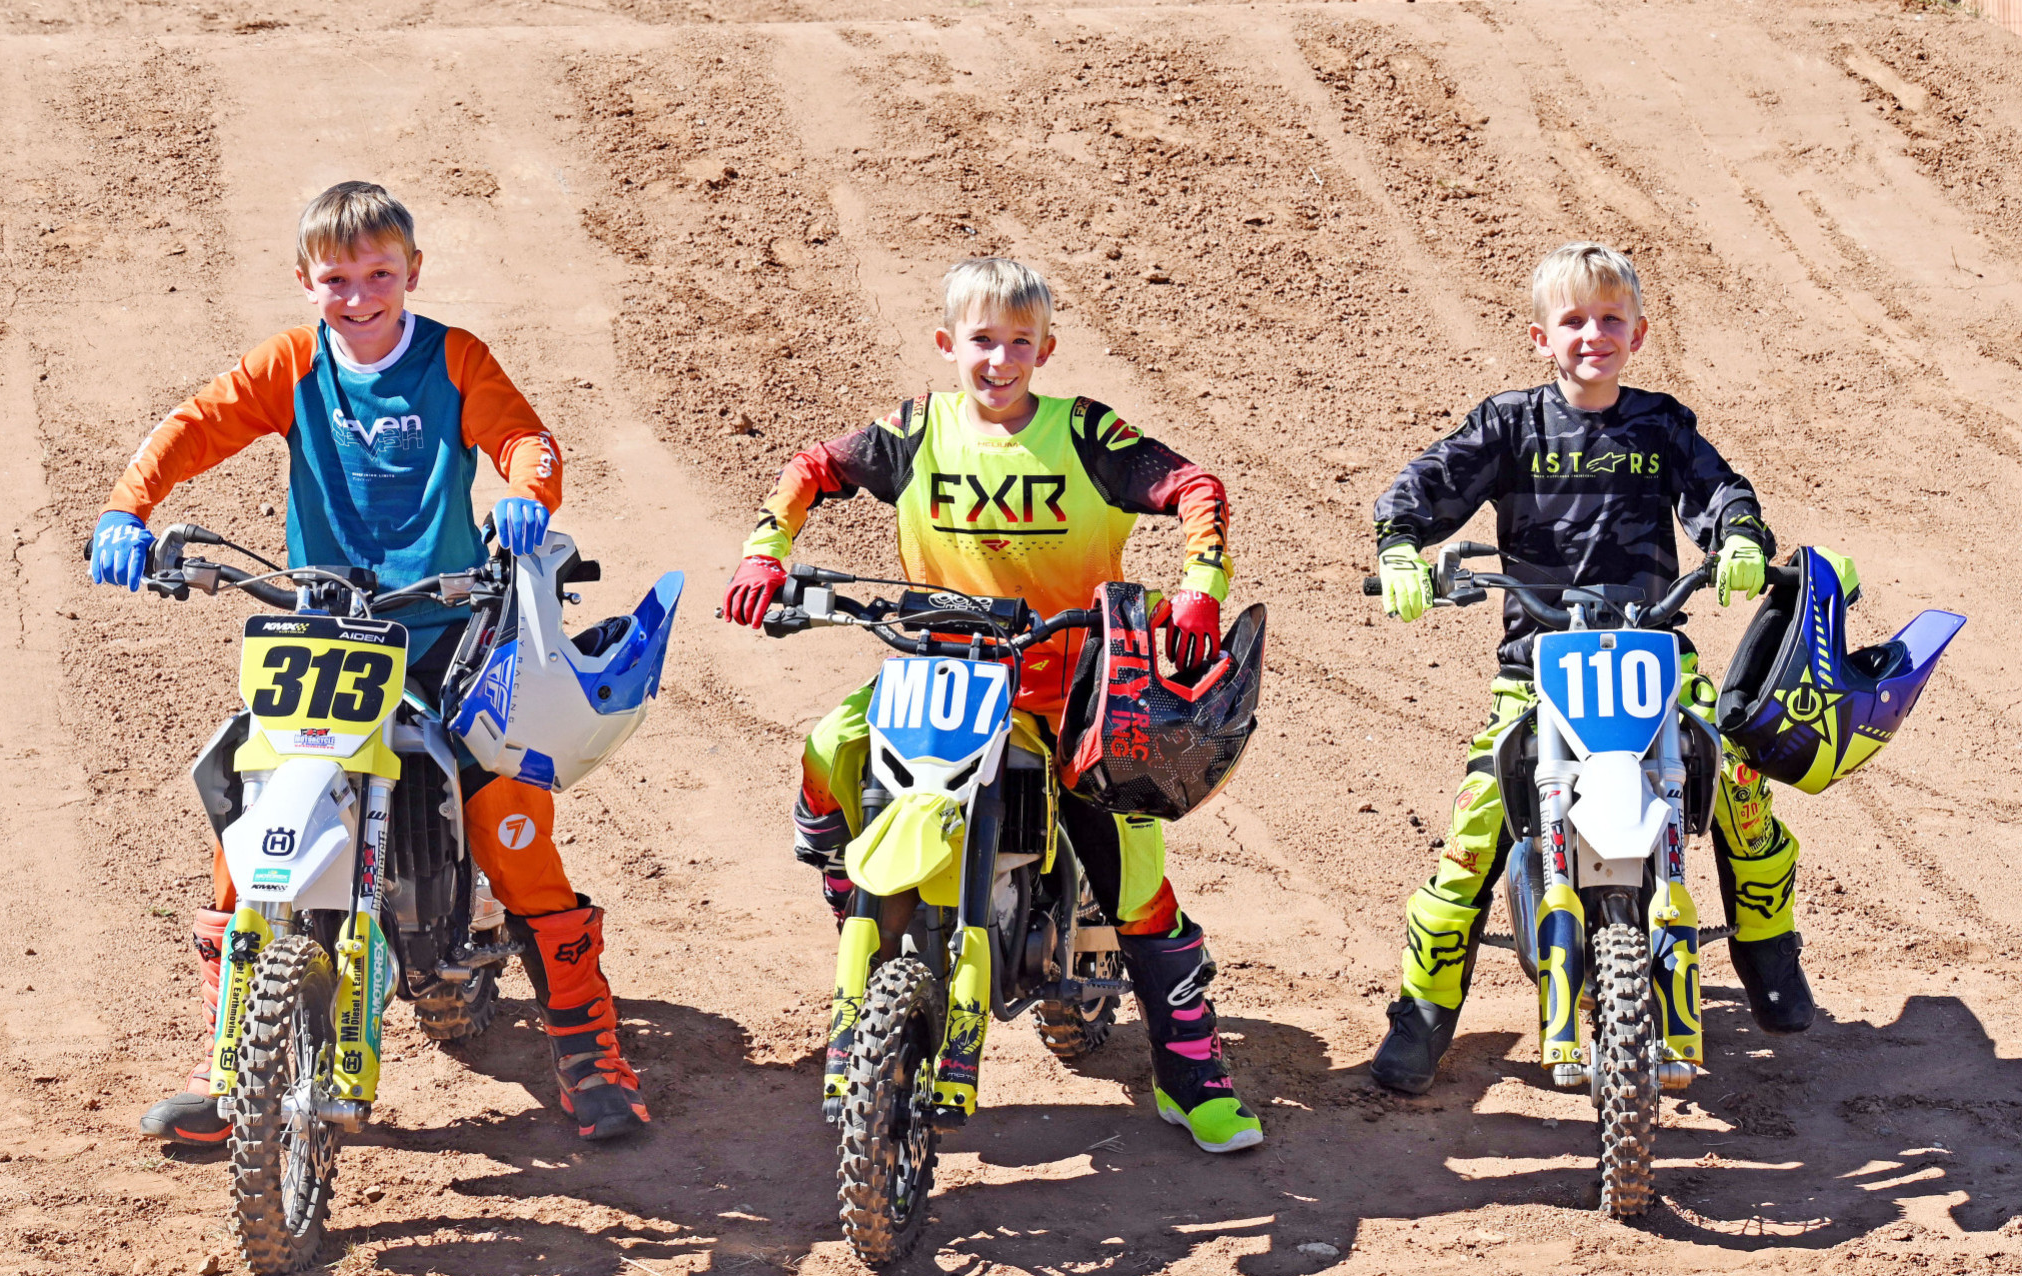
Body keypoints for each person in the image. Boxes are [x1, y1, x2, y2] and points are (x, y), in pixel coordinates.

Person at [92, 182, 647, 1143]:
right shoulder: (293, 365)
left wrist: (525, 495)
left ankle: (589, 1045)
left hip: (443, 630)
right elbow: (195, 424)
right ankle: (230, 1056)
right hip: (321, 634)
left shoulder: (452, 357)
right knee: (249, 809)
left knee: (505, 811)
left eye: (379, 275)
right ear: (306, 281)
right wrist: (125, 508)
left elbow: (524, 439)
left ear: (412, 273)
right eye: (338, 278)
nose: (359, 296)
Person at [719, 257, 1262, 1153]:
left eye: (1019, 343)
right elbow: (815, 466)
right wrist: (764, 550)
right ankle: (842, 874)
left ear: (1045, 349)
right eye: (981, 341)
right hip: (938, 675)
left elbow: (1195, 486)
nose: (999, 360)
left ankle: (1192, 1077)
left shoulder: (1084, 435)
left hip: (1071, 693)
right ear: (946, 345)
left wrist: (1203, 579)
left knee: (1134, 880)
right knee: (827, 741)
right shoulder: (914, 431)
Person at [1368, 241, 1815, 1095]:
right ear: (1542, 336)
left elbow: (1717, 489)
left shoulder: (1661, 424)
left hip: (1655, 650)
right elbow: (1434, 478)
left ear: (1638, 335)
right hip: (1534, 662)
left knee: (1743, 788)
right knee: (1471, 832)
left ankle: (1769, 954)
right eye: (1573, 320)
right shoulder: (1509, 423)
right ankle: (1423, 1012)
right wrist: (1399, 546)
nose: (1592, 335)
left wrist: (1741, 539)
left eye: (1610, 320)